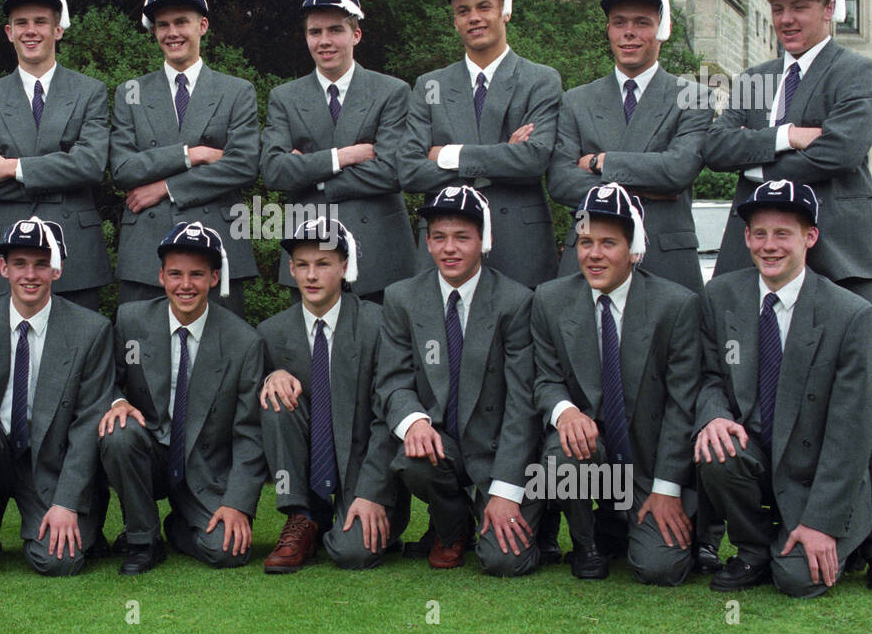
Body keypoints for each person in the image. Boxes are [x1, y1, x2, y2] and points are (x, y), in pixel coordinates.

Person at [703, 0, 872, 593]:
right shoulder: (755, 79)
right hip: (762, 263)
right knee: (753, 394)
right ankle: (763, 537)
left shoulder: (859, 71)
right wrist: (790, 134)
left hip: (842, 261)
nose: (787, 17)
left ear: (830, 9)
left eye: (801, 5)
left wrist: (760, 162)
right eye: (778, 5)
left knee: (867, 408)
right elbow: (714, 146)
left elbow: (846, 147)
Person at [695, 180, 872, 597]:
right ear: (745, 237)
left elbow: (851, 435)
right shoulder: (720, 296)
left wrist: (822, 523)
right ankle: (754, 548)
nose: (769, 245)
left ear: (810, 237)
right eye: (759, 234)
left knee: (796, 580)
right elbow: (708, 376)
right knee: (718, 452)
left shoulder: (852, 316)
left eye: (783, 233)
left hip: (816, 477)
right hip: (755, 461)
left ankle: (845, 538)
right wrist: (714, 416)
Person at [531, 183, 700, 584]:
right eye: (585, 241)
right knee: (561, 452)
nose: (593, 254)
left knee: (661, 570)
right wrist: (565, 410)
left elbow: (682, 405)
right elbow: (543, 379)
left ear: (634, 249)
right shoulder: (549, 299)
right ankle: (586, 542)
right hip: (591, 456)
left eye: (609, 243)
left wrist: (667, 488)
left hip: (647, 462)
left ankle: (625, 521)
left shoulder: (676, 306)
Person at [375, 185, 544, 575]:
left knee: (504, 562)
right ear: (429, 244)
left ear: (483, 241)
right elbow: (391, 381)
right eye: (439, 238)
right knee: (413, 456)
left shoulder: (515, 302)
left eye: (462, 237)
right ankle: (450, 527)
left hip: (496, 451)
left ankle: (525, 515)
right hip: (439, 448)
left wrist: (505, 492)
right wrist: (413, 421)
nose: (449, 248)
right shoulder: (401, 298)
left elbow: (522, 403)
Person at [0, 217, 114, 578]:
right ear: (3, 267)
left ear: (57, 269)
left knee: (59, 562)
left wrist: (67, 503)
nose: (30, 274)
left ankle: (84, 522)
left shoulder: (91, 330)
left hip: (48, 460)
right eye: (20, 263)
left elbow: (88, 424)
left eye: (41, 264)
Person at [99, 221, 267, 573]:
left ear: (215, 278)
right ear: (161, 276)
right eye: (175, 274)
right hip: (150, 454)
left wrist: (238, 503)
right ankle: (142, 539)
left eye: (197, 274)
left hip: (205, 465)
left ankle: (176, 528)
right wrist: (118, 402)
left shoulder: (243, 341)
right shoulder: (131, 321)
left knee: (228, 553)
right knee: (118, 433)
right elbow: (105, 381)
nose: (185, 285)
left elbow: (250, 432)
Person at [257, 217, 406, 572]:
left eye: (323, 264)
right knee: (276, 401)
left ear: (344, 267)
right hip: (307, 466)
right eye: (303, 265)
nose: (311, 275)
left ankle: (348, 516)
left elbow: (388, 414)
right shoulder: (270, 333)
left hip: (364, 467)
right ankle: (302, 514)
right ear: (291, 269)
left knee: (353, 554)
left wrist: (371, 494)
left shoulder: (378, 324)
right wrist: (271, 375)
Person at [399, 0, 561, 290]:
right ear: (455, 21)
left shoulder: (540, 80)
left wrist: (447, 154)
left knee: (518, 339)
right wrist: (503, 157)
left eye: (484, 7)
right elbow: (409, 171)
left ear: (505, 12)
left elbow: (533, 161)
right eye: (463, 11)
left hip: (518, 245)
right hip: (445, 246)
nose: (474, 17)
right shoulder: (430, 85)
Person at [547, 0, 707, 293]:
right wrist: (650, 184)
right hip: (588, 253)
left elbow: (677, 171)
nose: (629, 32)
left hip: (664, 257)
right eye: (619, 22)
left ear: (663, 30)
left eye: (642, 22)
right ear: (608, 29)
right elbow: (561, 182)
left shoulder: (694, 97)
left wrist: (600, 161)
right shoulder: (575, 100)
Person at [110, 0, 260, 316]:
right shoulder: (130, 92)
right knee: (141, 358)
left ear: (202, 26)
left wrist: (165, 187)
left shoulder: (237, 91)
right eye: (162, 25)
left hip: (217, 246)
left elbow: (243, 165)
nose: (171, 33)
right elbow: (122, 169)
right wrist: (191, 154)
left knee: (220, 358)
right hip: (145, 250)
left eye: (181, 22)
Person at [259, 0, 416, 302]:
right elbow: (274, 172)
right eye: (315, 32)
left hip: (379, 251)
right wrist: (342, 157)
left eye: (336, 30)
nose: (325, 41)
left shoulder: (392, 91)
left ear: (356, 34)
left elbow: (392, 171)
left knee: (382, 350)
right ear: (306, 37)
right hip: (309, 250)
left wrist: (309, 176)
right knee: (313, 350)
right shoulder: (285, 98)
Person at [0, 0, 111, 311]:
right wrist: (60, 175)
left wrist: (11, 167)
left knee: (76, 353)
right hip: (5, 251)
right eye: (22, 23)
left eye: (41, 22)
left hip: (75, 252)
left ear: (58, 29)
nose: (31, 30)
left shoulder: (90, 92)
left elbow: (89, 166)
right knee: (6, 354)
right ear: (9, 32)